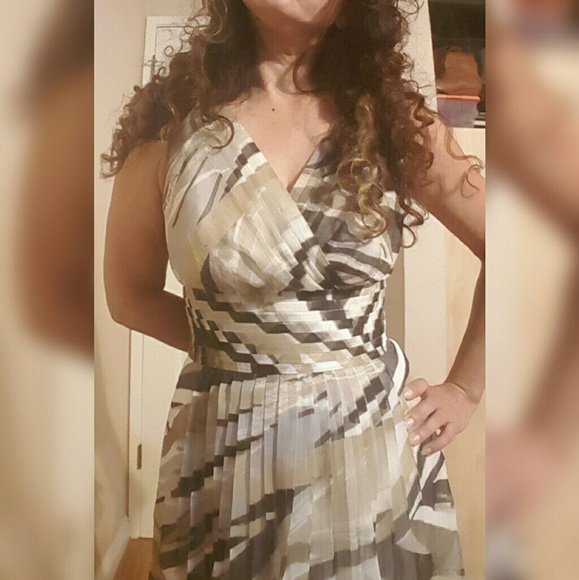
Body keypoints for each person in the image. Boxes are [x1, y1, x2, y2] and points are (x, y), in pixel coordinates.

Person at [102, 0, 484, 578]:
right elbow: (129, 294)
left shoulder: (396, 124)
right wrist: (254, 348)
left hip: (369, 450)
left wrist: (465, 390)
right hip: (222, 453)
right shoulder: (170, 127)